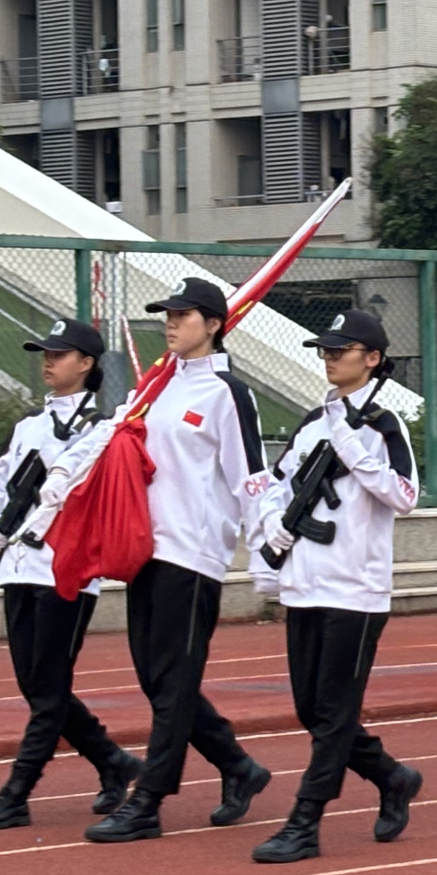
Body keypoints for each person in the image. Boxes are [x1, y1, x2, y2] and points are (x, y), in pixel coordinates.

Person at [76, 277, 277, 843]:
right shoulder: (157, 386)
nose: (169, 322)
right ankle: (238, 766)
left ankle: (149, 800)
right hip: (144, 547)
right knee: (159, 680)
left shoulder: (227, 393)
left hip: (193, 554)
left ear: (213, 324)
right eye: (167, 313)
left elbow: (250, 476)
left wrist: (266, 555)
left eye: (182, 315)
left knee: (174, 681)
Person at [249, 310, 424, 862]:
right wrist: (273, 523)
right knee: (311, 709)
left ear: (372, 359)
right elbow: (277, 482)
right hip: (305, 583)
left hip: (355, 590)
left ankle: (305, 820)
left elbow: (405, 495)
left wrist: (353, 448)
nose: (329, 358)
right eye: (325, 350)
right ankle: (391, 776)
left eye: (340, 350)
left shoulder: (383, 426)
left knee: (334, 714)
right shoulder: (311, 422)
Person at [0, 318, 140, 830]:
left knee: (49, 687)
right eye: (45, 353)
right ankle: (112, 761)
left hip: (66, 571)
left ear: (86, 364)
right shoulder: (28, 425)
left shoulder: (104, 430)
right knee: (37, 685)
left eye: (58, 354)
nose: (48, 361)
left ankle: (16, 794)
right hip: (18, 566)